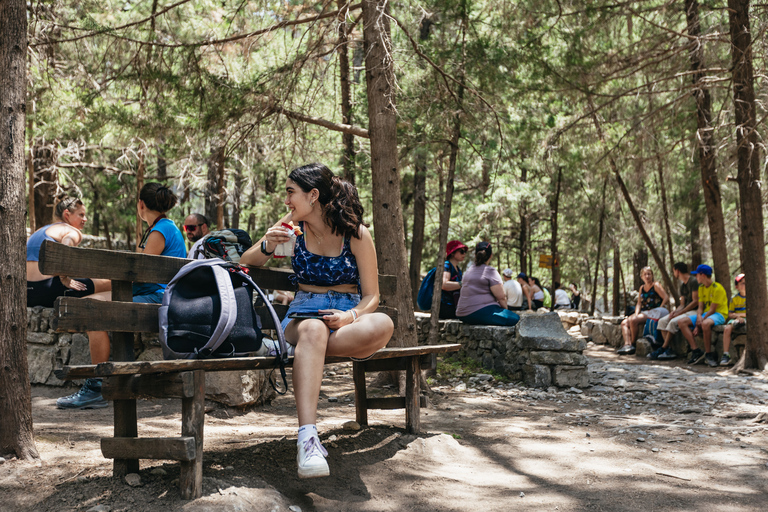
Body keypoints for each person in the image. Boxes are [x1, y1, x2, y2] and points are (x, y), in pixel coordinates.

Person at [239, 163, 394, 479]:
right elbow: (246, 261)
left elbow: (372, 298)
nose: (287, 201)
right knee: (312, 330)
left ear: (313, 195)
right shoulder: (293, 228)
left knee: (384, 325)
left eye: (290, 193)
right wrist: (268, 243)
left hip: (347, 318)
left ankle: (298, 349)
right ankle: (307, 440)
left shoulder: (356, 234)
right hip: (303, 315)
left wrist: (350, 316)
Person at [56, 183, 186, 410]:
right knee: (88, 301)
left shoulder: (159, 231)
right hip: (151, 292)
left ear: (141, 204)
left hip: (158, 298)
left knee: (92, 311)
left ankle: (97, 387)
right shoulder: (162, 227)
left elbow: (139, 276)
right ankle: (97, 384)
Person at [27, 197, 111, 307]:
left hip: (27, 292)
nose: (85, 219)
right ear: (67, 214)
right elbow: (66, 246)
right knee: (116, 286)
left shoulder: (39, 231)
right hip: (49, 289)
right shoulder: (70, 230)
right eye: (81, 215)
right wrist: (64, 278)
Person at [455, 242, 520, 326]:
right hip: (479, 311)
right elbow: (501, 297)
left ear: (475, 255)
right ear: (491, 255)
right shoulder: (490, 271)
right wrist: (505, 312)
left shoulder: (469, 270)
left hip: (462, 314)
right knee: (516, 319)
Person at [676, 264, 728, 367]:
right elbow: (700, 307)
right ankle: (696, 351)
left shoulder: (717, 288)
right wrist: (699, 317)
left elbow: (713, 310)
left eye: (697, 275)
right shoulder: (701, 288)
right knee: (682, 322)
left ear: (703, 275)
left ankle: (708, 355)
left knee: (705, 324)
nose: (695, 277)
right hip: (705, 314)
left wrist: (700, 322)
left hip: (719, 314)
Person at [647, 262, 699, 360]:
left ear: (677, 271)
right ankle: (669, 350)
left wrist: (680, 313)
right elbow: (682, 304)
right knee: (662, 321)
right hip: (685, 311)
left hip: (694, 311)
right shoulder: (682, 285)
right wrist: (675, 312)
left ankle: (664, 347)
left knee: (673, 322)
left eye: (674, 271)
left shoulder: (693, 281)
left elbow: (695, 302)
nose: (674, 273)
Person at [617, 266, 669, 355]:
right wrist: (636, 313)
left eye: (649, 274)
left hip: (653, 312)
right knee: (624, 323)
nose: (647, 276)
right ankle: (627, 344)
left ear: (652, 275)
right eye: (645, 274)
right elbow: (639, 303)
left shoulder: (655, 285)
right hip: (644, 311)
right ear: (642, 277)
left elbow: (666, 297)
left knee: (633, 320)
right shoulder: (642, 288)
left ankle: (633, 344)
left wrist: (660, 308)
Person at [720, 273, 746, 366]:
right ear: (737, 287)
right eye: (742, 283)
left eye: (746, 283)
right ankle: (726, 354)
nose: (745, 285)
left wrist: (741, 315)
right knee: (727, 328)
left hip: (747, 319)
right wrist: (737, 317)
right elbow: (730, 314)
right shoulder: (734, 299)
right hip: (736, 318)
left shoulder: (753, 297)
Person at [439, 240, 468, 319]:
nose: (464, 254)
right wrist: (463, 284)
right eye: (461, 251)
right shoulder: (447, 265)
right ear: (452, 253)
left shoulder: (458, 269)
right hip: (446, 307)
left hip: (454, 306)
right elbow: (444, 284)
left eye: (465, 251)